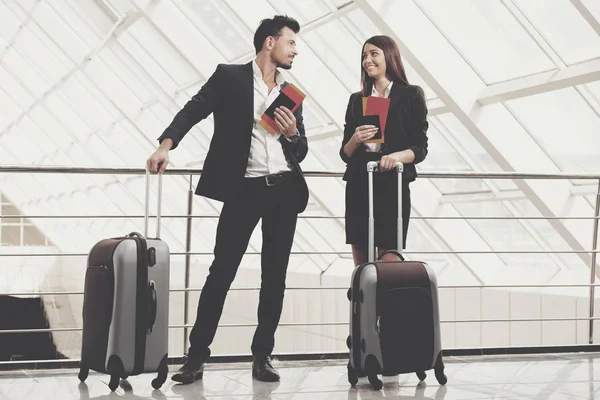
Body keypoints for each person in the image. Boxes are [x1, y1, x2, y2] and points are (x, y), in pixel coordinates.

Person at [146, 15, 308, 384]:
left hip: (284, 189)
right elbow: (193, 110)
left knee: (274, 277)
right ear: (270, 43)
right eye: (291, 43)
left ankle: (263, 356)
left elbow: (301, 150)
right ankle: (196, 357)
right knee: (221, 272)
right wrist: (165, 146)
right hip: (244, 190)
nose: (295, 49)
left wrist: (293, 132)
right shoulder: (230, 77)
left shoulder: (291, 93)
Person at [339, 35, 428, 266]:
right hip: (360, 183)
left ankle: (386, 302)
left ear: (389, 56)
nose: (367, 60)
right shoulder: (356, 100)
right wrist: (356, 139)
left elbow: (420, 147)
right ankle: (363, 301)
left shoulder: (411, 95)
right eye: (364, 56)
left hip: (392, 186)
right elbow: (344, 153)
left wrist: (395, 157)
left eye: (373, 54)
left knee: (389, 261)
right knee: (362, 266)